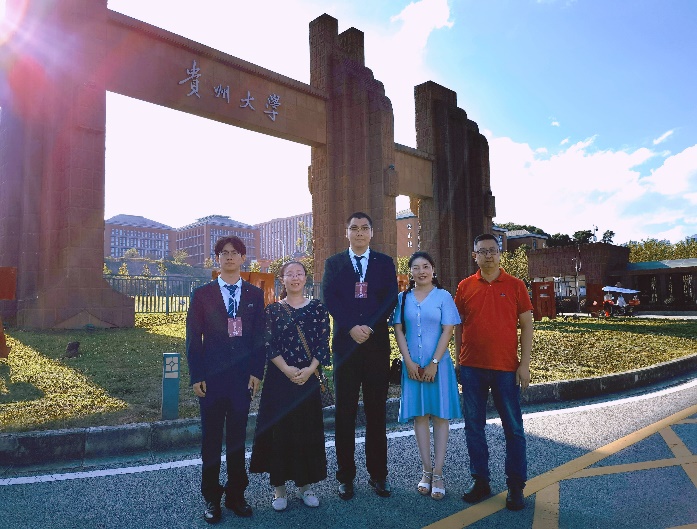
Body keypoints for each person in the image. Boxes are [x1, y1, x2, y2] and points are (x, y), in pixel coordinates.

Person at [186, 236, 265, 524]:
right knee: (211, 441)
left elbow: (259, 337)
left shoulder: (254, 295)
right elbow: (193, 338)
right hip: (211, 379)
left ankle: (236, 494)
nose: (229, 257)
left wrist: (256, 372)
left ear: (243, 258)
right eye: (224, 253)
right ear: (217, 258)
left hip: (242, 379)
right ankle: (211, 496)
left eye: (235, 253)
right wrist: (197, 375)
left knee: (236, 439)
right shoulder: (202, 294)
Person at [321, 212, 399, 500]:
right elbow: (330, 298)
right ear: (347, 233)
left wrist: (371, 326)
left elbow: (390, 297)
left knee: (376, 412)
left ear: (372, 233)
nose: (359, 233)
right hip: (346, 346)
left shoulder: (384, 262)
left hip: (376, 346)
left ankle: (379, 475)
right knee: (345, 412)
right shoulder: (334, 263)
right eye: (354, 228)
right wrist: (351, 326)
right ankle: (346, 477)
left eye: (365, 228)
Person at [454, 234, 534, 512]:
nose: (488, 255)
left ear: (500, 254)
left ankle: (516, 485)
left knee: (513, 428)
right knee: (474, 426)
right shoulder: (465, 286)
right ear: (474, 255)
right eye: (482, 251)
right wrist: (458, 359)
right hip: (472, 367)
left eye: (493, 251)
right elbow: (459, 325)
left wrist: (524, 365)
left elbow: (527, 325)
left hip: (505, 369)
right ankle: (480, 480)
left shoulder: (516, 285)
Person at [250, 261, 330, 511]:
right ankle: (279, 489)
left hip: (308, 378)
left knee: (307, 430)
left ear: (306, 278)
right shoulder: (273, 310)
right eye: (289, 274)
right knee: (280, 432)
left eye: (299, 274)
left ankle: (306, 486)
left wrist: (310, 369)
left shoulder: (317, 308)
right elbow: (267, 343)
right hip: (279, 379)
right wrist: (286, 369)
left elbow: (322, 342)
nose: (295, 278)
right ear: (282, 279)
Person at [393, 252, 462, 500]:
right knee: (420, 417)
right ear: (410, 272)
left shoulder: (443, 296)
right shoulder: (403, 298)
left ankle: (439, 473)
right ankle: (426, 471)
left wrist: (434, 363)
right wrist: (408, 362)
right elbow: (399, 331)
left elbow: (448, 331)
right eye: (416, 267)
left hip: (438, 366)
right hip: (412, 366)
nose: (421, 271)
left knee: (440, 417)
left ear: (433, 269)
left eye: (425, 266)